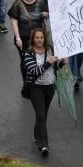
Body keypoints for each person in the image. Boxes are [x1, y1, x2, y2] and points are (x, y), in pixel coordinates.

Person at [23, 27, 64, 156]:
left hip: (49, 87)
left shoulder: (50, 49)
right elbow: (34, 71)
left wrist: (62, 63)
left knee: (43, 114)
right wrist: (48, 62)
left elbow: (55, 66)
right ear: (33, 39)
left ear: (44, 38)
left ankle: (37, 135)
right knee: (40, 115)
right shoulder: (28, 53)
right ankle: (44, 145)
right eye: (37, 38)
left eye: (41, 38)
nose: (39, 40)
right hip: (36, 88)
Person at [8, 0, 49, 79]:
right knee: (25, 61)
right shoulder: (17, 4)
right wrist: (18, 38)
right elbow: (14, 21)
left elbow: (47, 15)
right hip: (23, 39)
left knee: (38, 59)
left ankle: (37, 79)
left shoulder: (40, 2)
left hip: (38, 38)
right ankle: (26, 82)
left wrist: (46, 15)